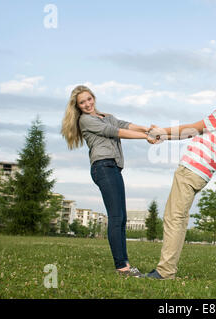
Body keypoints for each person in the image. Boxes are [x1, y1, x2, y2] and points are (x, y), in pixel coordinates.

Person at [146, 75, 216, 279]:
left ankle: (165, 272)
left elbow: (192, 127)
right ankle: (167, 269)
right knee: (177, 219)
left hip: (191, 170)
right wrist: (163, 136)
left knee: (174, 218)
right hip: (195, 172)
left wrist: (160, 131)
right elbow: (191, 133)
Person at [61, 85, 158, 277]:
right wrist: (146, 136)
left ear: (93, 98)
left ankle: (126, 265)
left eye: (89, 99)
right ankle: (122, 267)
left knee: (121, 218)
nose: (87, 104)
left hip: (113, 167)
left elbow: (123, 124)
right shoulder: (86, 120)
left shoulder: (105, 116)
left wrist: (146, 128)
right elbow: (115, 132)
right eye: (82, 102)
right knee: (115, 217)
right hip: (102, 167)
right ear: (78, 106)